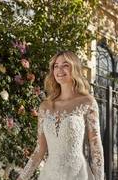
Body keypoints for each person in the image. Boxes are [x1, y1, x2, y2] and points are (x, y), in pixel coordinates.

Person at [17, 51, 104, 180]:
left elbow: (95, 146)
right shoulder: (45, 106)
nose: (59, 70)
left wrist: (99, 178)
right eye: (56, 66)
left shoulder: (87, 102)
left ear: (74, 68)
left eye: (65, 65)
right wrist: (22, 178)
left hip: (78, 174)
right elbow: (40, 149)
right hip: (49, 175)